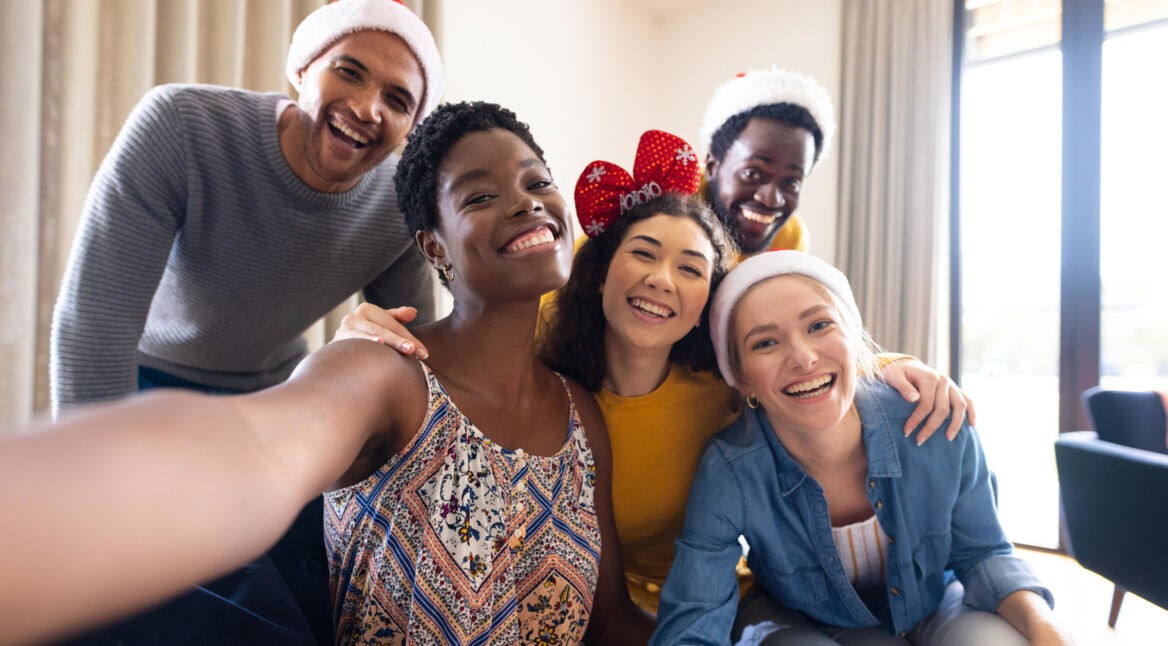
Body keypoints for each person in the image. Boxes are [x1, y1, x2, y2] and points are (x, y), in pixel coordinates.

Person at [3, 99, 653, 645]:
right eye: (481, 195)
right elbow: (251, 446)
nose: (527, 204)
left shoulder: (580, 414)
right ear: (433, 246)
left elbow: (611, 623)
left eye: (537, 182)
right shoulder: (382, 373)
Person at [340, 130, 973, 617]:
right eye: (643, 254)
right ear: (600, 271)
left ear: (708, 305)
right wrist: (364, 338)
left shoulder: (727, 391)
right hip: (584, 612)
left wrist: (904, 367)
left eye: (692, 269)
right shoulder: (541, 377)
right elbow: (453, 352)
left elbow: (810, 362)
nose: (661, 280)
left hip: (726, 606)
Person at [50, 2, 443, 642]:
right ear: (302, 68)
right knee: (184, 582)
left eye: (398, 100)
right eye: (350, 71)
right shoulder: (181, 124)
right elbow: (93, 326)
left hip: (274, 401)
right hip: (145, 391)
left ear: (408, 127)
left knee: (319, 589)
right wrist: (98, 499)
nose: (370, 106)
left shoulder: (401, 204)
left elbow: (416, 348)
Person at [651, 251, 1074, 645]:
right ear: (742, 379)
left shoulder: (934, 419)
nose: (803, 357)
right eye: (765, 343)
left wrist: (1047, 628)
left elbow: (983, 553)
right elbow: (695, 615)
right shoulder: (730, 468)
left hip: (933, 601)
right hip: (801, 618)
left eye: (819, 325)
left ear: (852, 338)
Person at [700, 66, 833, 254]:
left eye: (791, 182)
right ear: (712, 166)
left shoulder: (790, 239)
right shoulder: (669, 206)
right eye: (752, 174)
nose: (771, 200)